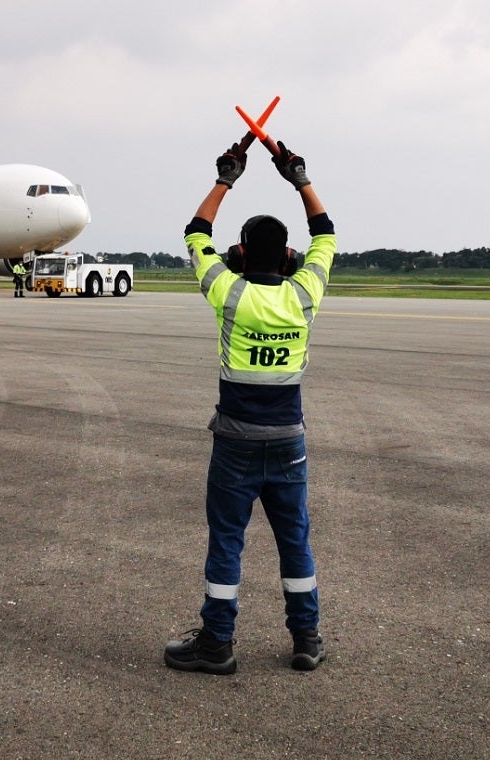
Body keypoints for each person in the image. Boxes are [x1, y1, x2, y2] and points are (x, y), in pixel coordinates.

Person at [164, 138, 337, 675]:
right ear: (288, 257)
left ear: (239, 254)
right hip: (288, 442)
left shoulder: (229, 293)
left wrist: (226, 178)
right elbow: (325, 236)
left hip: (235, 442)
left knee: (226, 543)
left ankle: (217, 642)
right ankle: (306, 638)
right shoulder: (305, 294)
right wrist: (299, 178)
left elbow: (196, 234)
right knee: (295, 542)